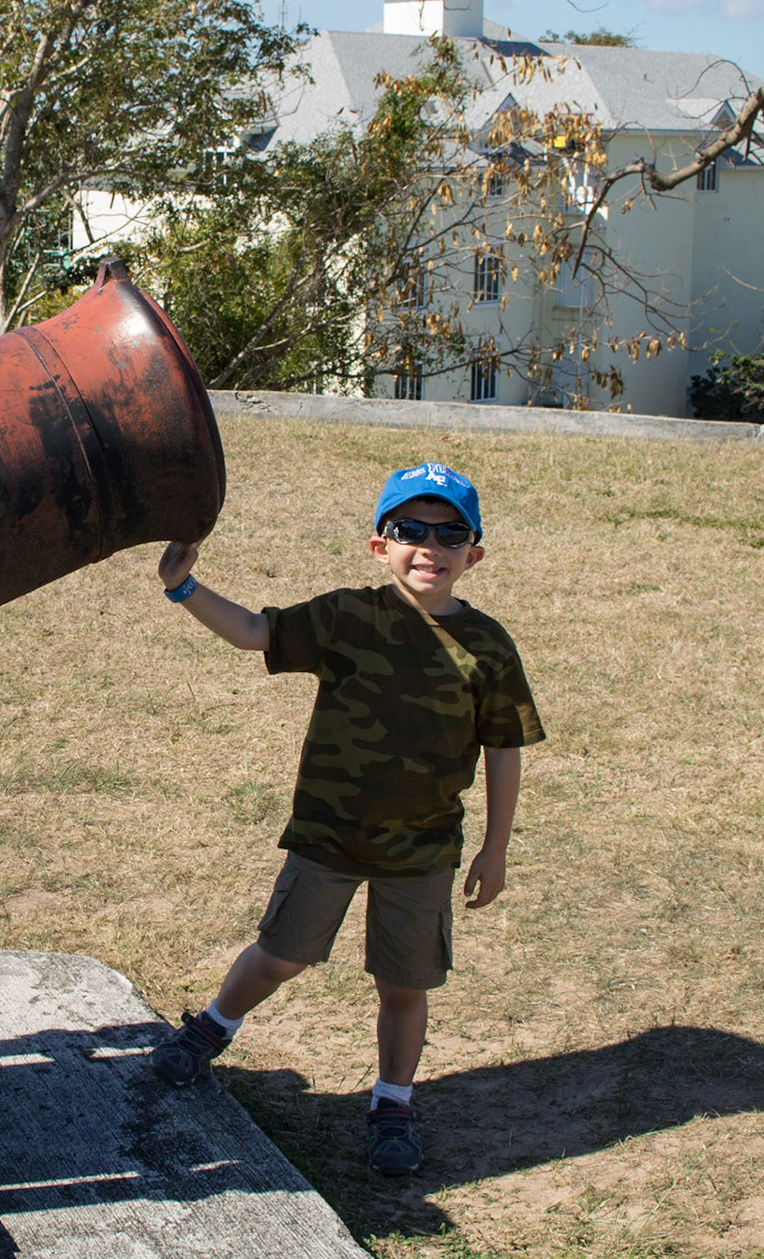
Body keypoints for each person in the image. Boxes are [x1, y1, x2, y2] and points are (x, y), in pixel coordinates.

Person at [148, 461, 544, 1176]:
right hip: (328, 837)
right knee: (279, 955)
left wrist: (496, 849)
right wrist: (182, 586)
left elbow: (505, 748)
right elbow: (255, 632)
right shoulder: (345, 617)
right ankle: (208, 1031)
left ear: (474, 554)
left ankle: (392, 1104)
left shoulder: (488, 647)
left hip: (422, 851)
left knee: (405, 985)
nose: (430, 546)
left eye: (450, 533)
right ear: (379, 545)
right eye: (410, 530)